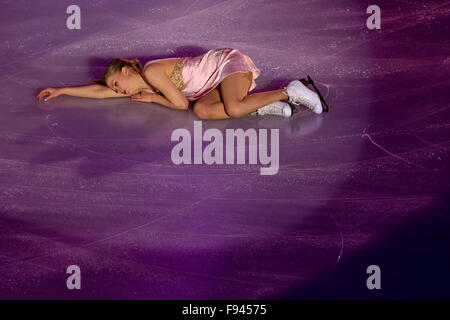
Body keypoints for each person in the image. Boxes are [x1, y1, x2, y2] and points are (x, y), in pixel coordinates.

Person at [37, 48, 327, 120]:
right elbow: (100, 93)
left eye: (117, 83)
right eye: (116, 89)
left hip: (226, 65)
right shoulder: (140, 85)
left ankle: (290, 90)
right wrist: (62, 90)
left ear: (126, 70)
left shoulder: (150, 74)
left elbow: (178, 103)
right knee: (202, 112)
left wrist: (154, 100)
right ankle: (265, 106)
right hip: (213, 84)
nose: (117, 91)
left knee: (234, 109)